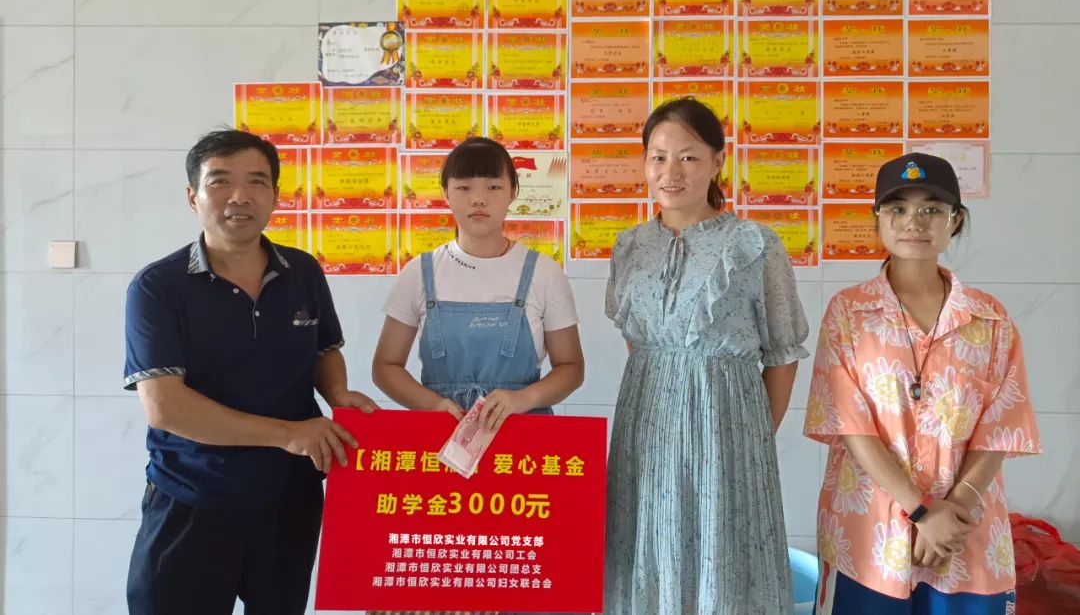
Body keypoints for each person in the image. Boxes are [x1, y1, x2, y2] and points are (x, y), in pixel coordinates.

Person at [124, 129, 377, 615]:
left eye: (257, 182)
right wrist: (288, 434)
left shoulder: (302, 271)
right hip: (193, 498)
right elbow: (165, 407)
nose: (240, 196)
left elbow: (323, 349)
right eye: (220, 181)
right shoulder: (157, 287)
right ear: (193, 196)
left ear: (275, 196)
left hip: (288, 501)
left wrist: (339, 393)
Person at [804, 152, 1041, 614]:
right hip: (870, 533)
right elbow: (850, 426)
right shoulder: (849, 314)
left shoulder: (989, 318)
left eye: (932, 209)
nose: (914, 221)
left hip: (964, 533)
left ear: (956, 220)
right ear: (878, 219)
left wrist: (952, 511)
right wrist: (920, 511)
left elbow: (1002, 427)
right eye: (898, 208)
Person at [604, 97, 810, 614]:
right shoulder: (629, 246)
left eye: (689, 157)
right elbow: (640, 342)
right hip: (645, 428)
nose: (671, 172)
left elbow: (782, 353)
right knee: (647, 548)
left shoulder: (754, 244)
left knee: (723, 559)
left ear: (718, 161)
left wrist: (751, 436)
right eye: (658, 157)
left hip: (726, 429)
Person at [373, 136, 584, 431]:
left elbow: (571, 367)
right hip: (440, 438)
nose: (478, 199)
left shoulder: (544, 272)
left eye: (493, 187)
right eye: (464, 187)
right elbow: (385, 366)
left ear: (513, 192)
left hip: (523, 441)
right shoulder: (419, 272)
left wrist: (523, 399)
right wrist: (432, 404)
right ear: (446, 192)